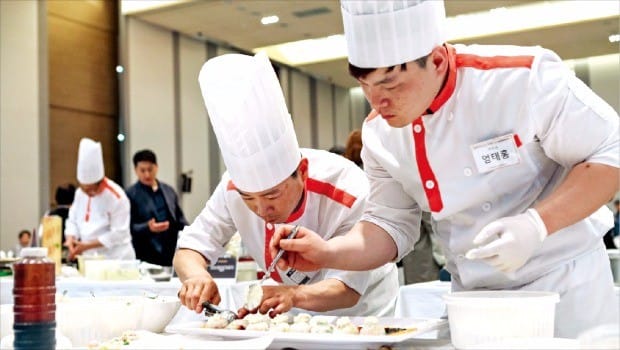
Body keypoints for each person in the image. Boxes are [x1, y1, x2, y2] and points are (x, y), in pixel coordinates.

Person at [272, 0, 619, 338]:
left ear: (436, 60)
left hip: (565, 290)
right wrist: (327, 252)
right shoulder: (379, 135)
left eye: (390, 83)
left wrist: (536, 225)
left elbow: (610, 151)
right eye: (366, 86)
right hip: (473, 301)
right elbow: (388, 225)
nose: (378, 102)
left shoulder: (520, 79)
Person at [173, 52, 398, 318]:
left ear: (301, 172)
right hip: (286, 307)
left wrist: (292, 295)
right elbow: (190, 248)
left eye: (272, 194)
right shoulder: (231, 188)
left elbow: (346, 289)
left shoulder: (346, 188)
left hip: (360, 312)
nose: (260, 209)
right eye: (248, 198)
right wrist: (197, 276)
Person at [64, 138, 135, 260]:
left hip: (116, 257)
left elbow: (119, 234)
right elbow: (72, 220)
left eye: (91, 189)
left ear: (101, 182)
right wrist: (70, 237)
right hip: (90, 258)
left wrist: (87, 246)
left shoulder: (117, 197)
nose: (88, 193)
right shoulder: (80, 193)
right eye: (84, 189)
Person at [126, 149, 188, 266]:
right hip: (145, 253)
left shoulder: (168, 190)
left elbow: (180, 219)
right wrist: (148, 227)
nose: (147, 174)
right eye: (142, 170)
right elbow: (128, 227)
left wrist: (190, 232)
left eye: (150, 169)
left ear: (156, 167)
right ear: (135, 170)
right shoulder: (130, 194)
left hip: (170, 250)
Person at [46, 183, 76, 262]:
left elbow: (41, 235)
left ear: (56, 198)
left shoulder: (49, 215)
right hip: (73, 255)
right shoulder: (76, 215)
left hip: (52, 256)